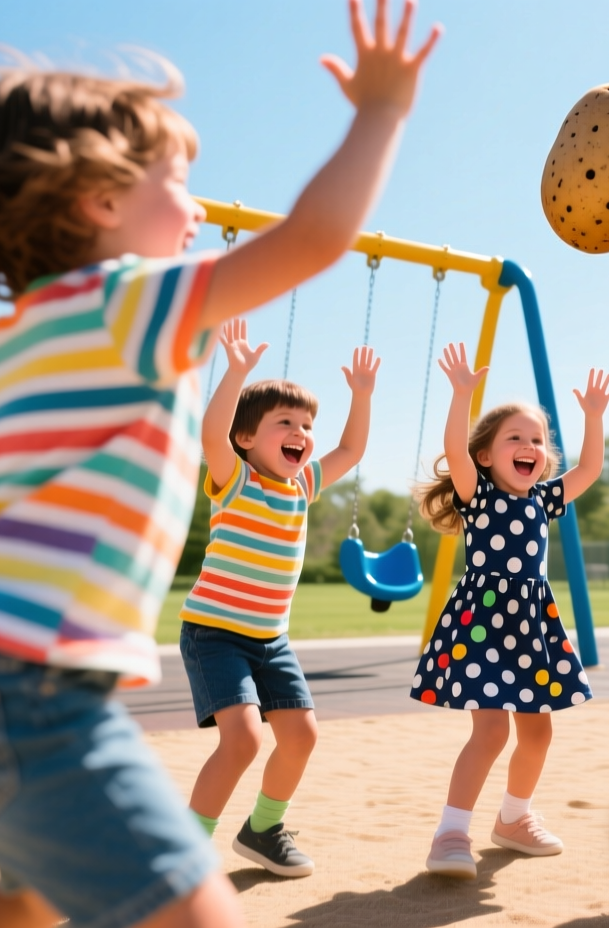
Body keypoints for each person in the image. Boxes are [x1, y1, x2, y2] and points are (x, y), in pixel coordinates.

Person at [0, 2, 438, 924]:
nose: (201, 208)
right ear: (100, 200)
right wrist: (381, 110)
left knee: (31, 901)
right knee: (191, 909)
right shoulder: (123, 300)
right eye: (179, 182)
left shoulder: (45, 318)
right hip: (16, 677)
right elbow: (313, 240)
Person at [174, 317, 378, 877]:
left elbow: (351, 448)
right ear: (247, 438)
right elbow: (210, 435)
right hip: (215, 634)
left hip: (271, 639)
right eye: (285, 421)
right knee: (241, 741)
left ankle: (263, 830)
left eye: (306, 424)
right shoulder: (233, 478)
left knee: (301, 736)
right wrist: (237, 372)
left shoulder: (303, 486)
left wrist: (359, 396)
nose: (301, 431)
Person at [412, 342, 609, 879]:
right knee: (490, 733)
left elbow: (591, 467)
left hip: (530, 624)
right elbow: (455, 446)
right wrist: (461, 395)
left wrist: (592, 417)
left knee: (538, 732)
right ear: (487, 455)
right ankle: (451, 833)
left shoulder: (543, 499)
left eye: (538, 441)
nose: (530, 447)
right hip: (482, 623)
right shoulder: (476, 492)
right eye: (515, 439)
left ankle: (514, 819)